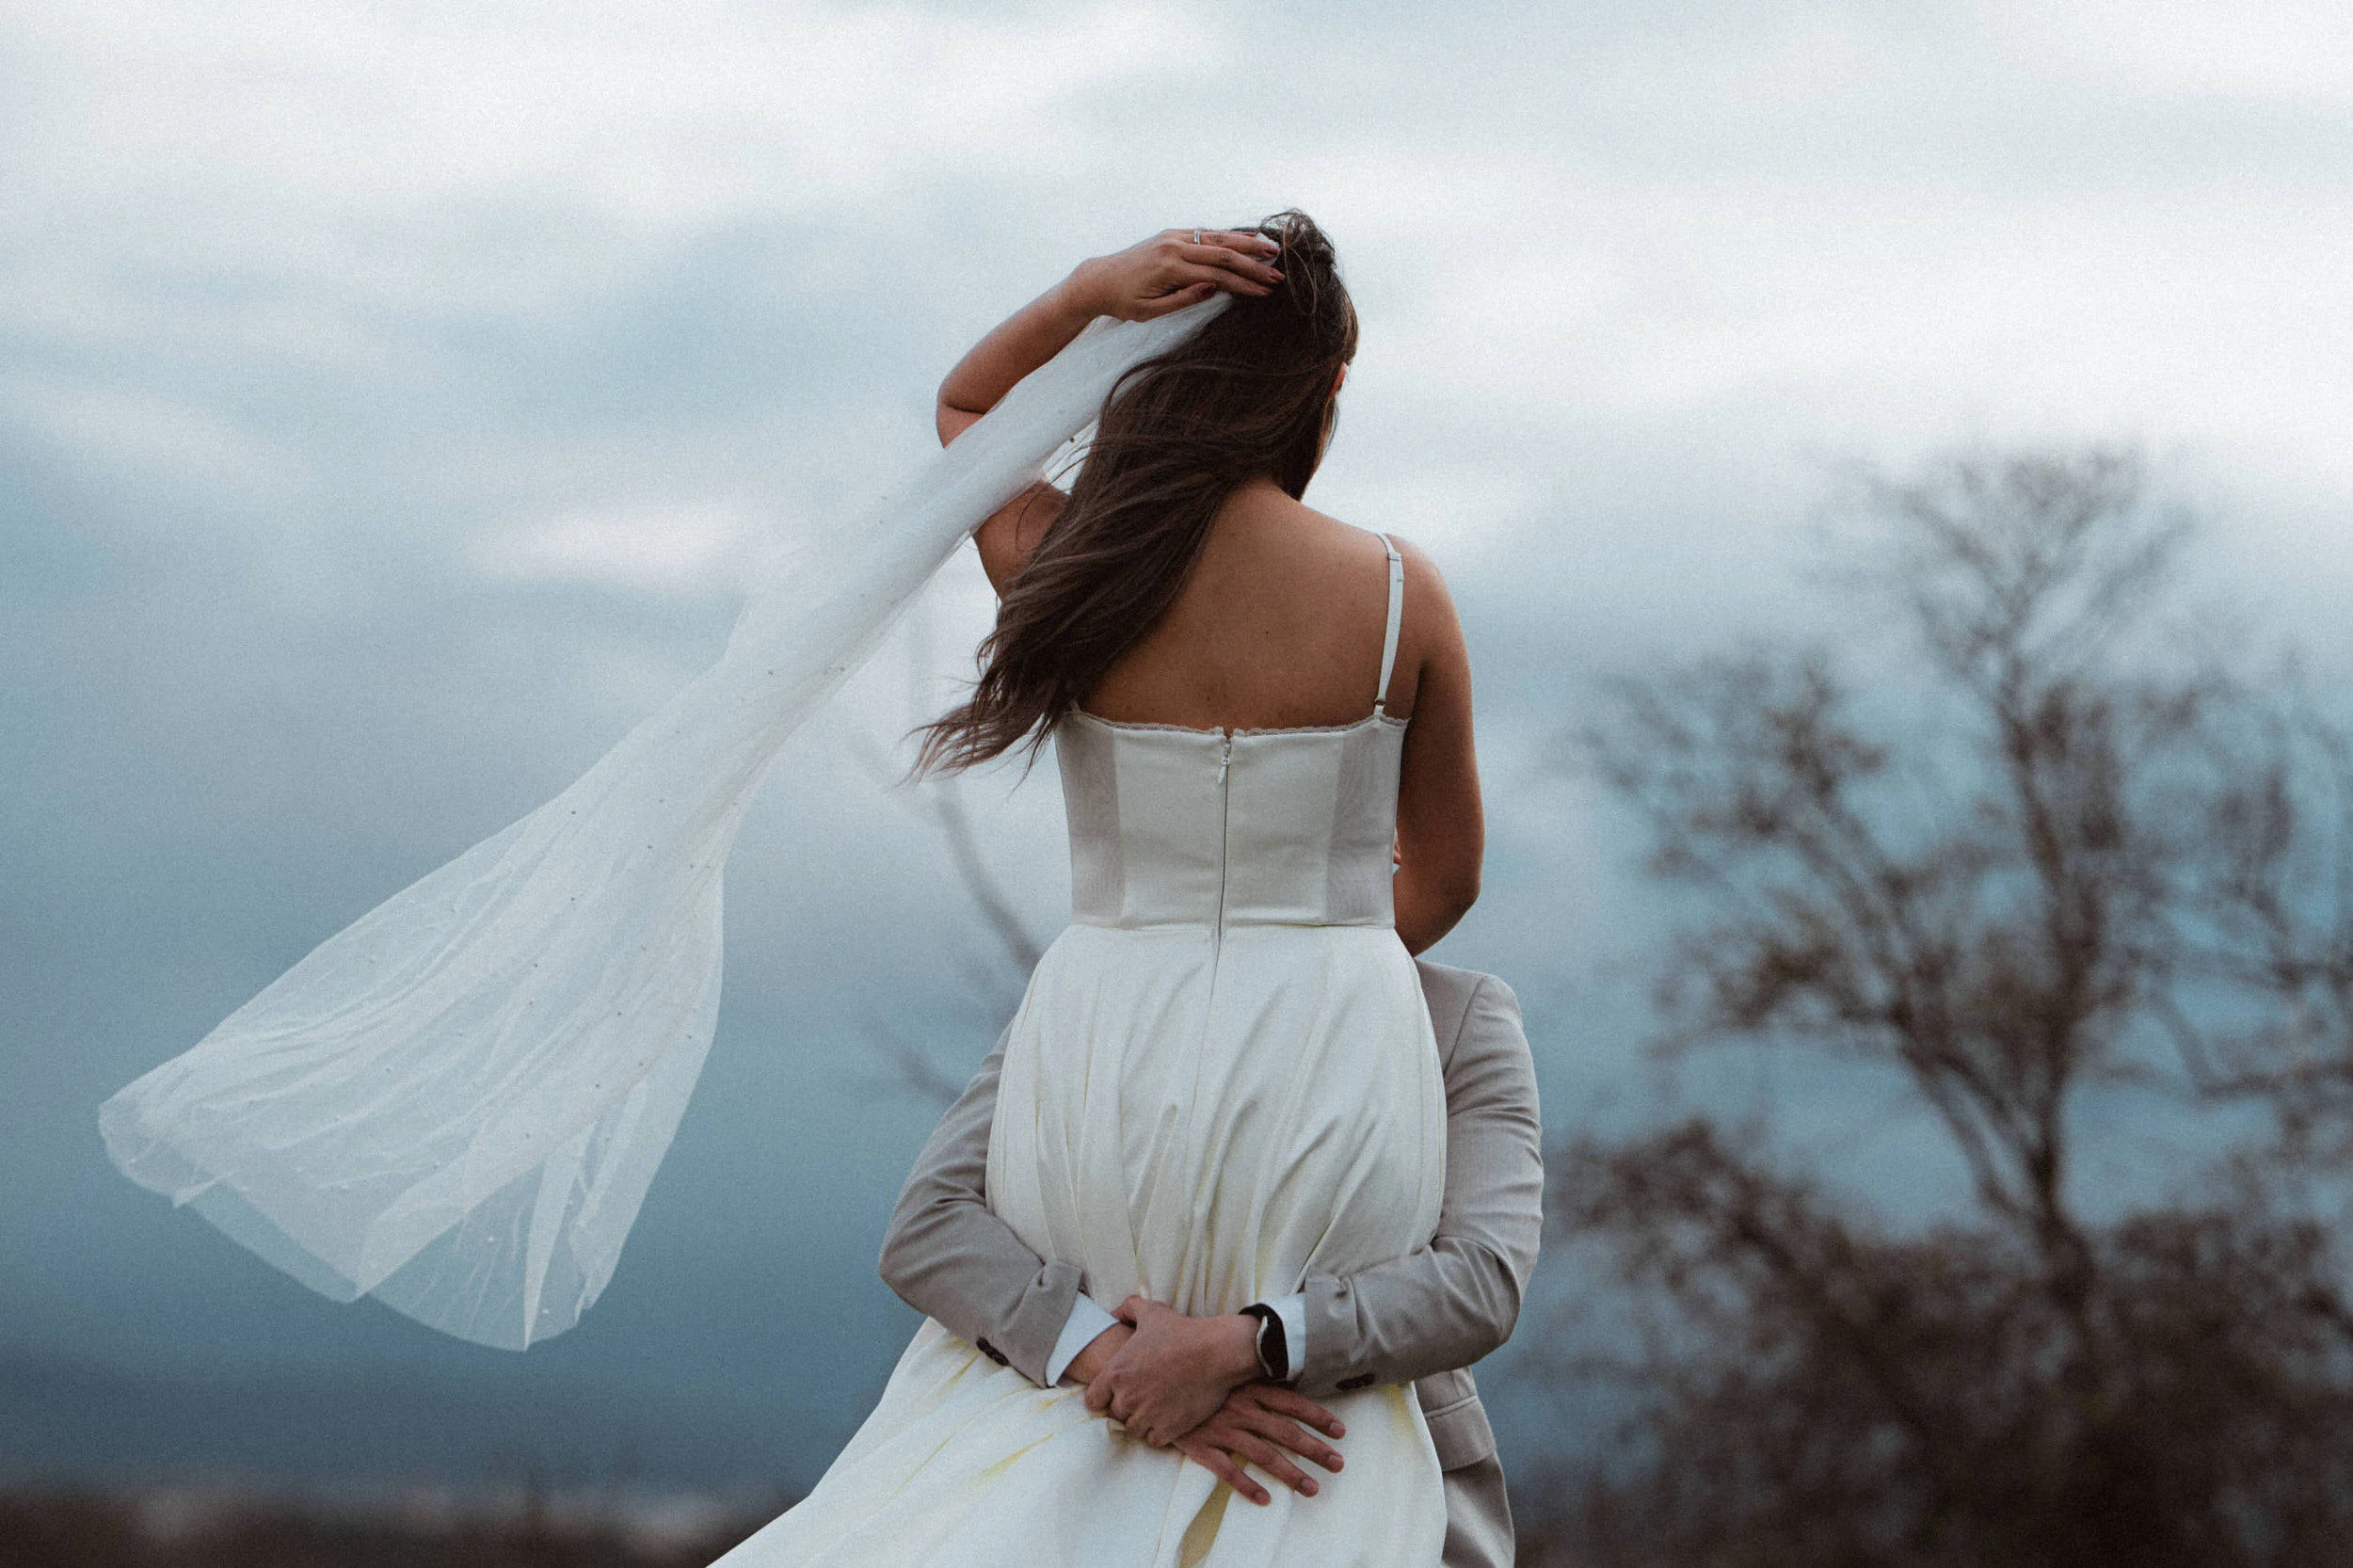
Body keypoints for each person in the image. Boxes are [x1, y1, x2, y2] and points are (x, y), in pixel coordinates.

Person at [712, 210, 1499, 1567]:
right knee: (1327, 1410)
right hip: (1329, 1029)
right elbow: (1449, 875)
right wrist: (1318, 964)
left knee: (1076, 1399)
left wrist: (1088, 290)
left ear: (1160, 367)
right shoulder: (1394, 594)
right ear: (1321, 390)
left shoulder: (1075, 569)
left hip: (1105, 1024)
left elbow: (968, 405)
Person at [878, 953, 1542, 1568]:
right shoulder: (1085, 993)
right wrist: (1118, 1362)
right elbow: (930, 1222)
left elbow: (1481, 1279)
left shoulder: (1455, 1012)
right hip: (1079, 1472)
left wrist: (1245, 1347)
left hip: (1360, 1475)